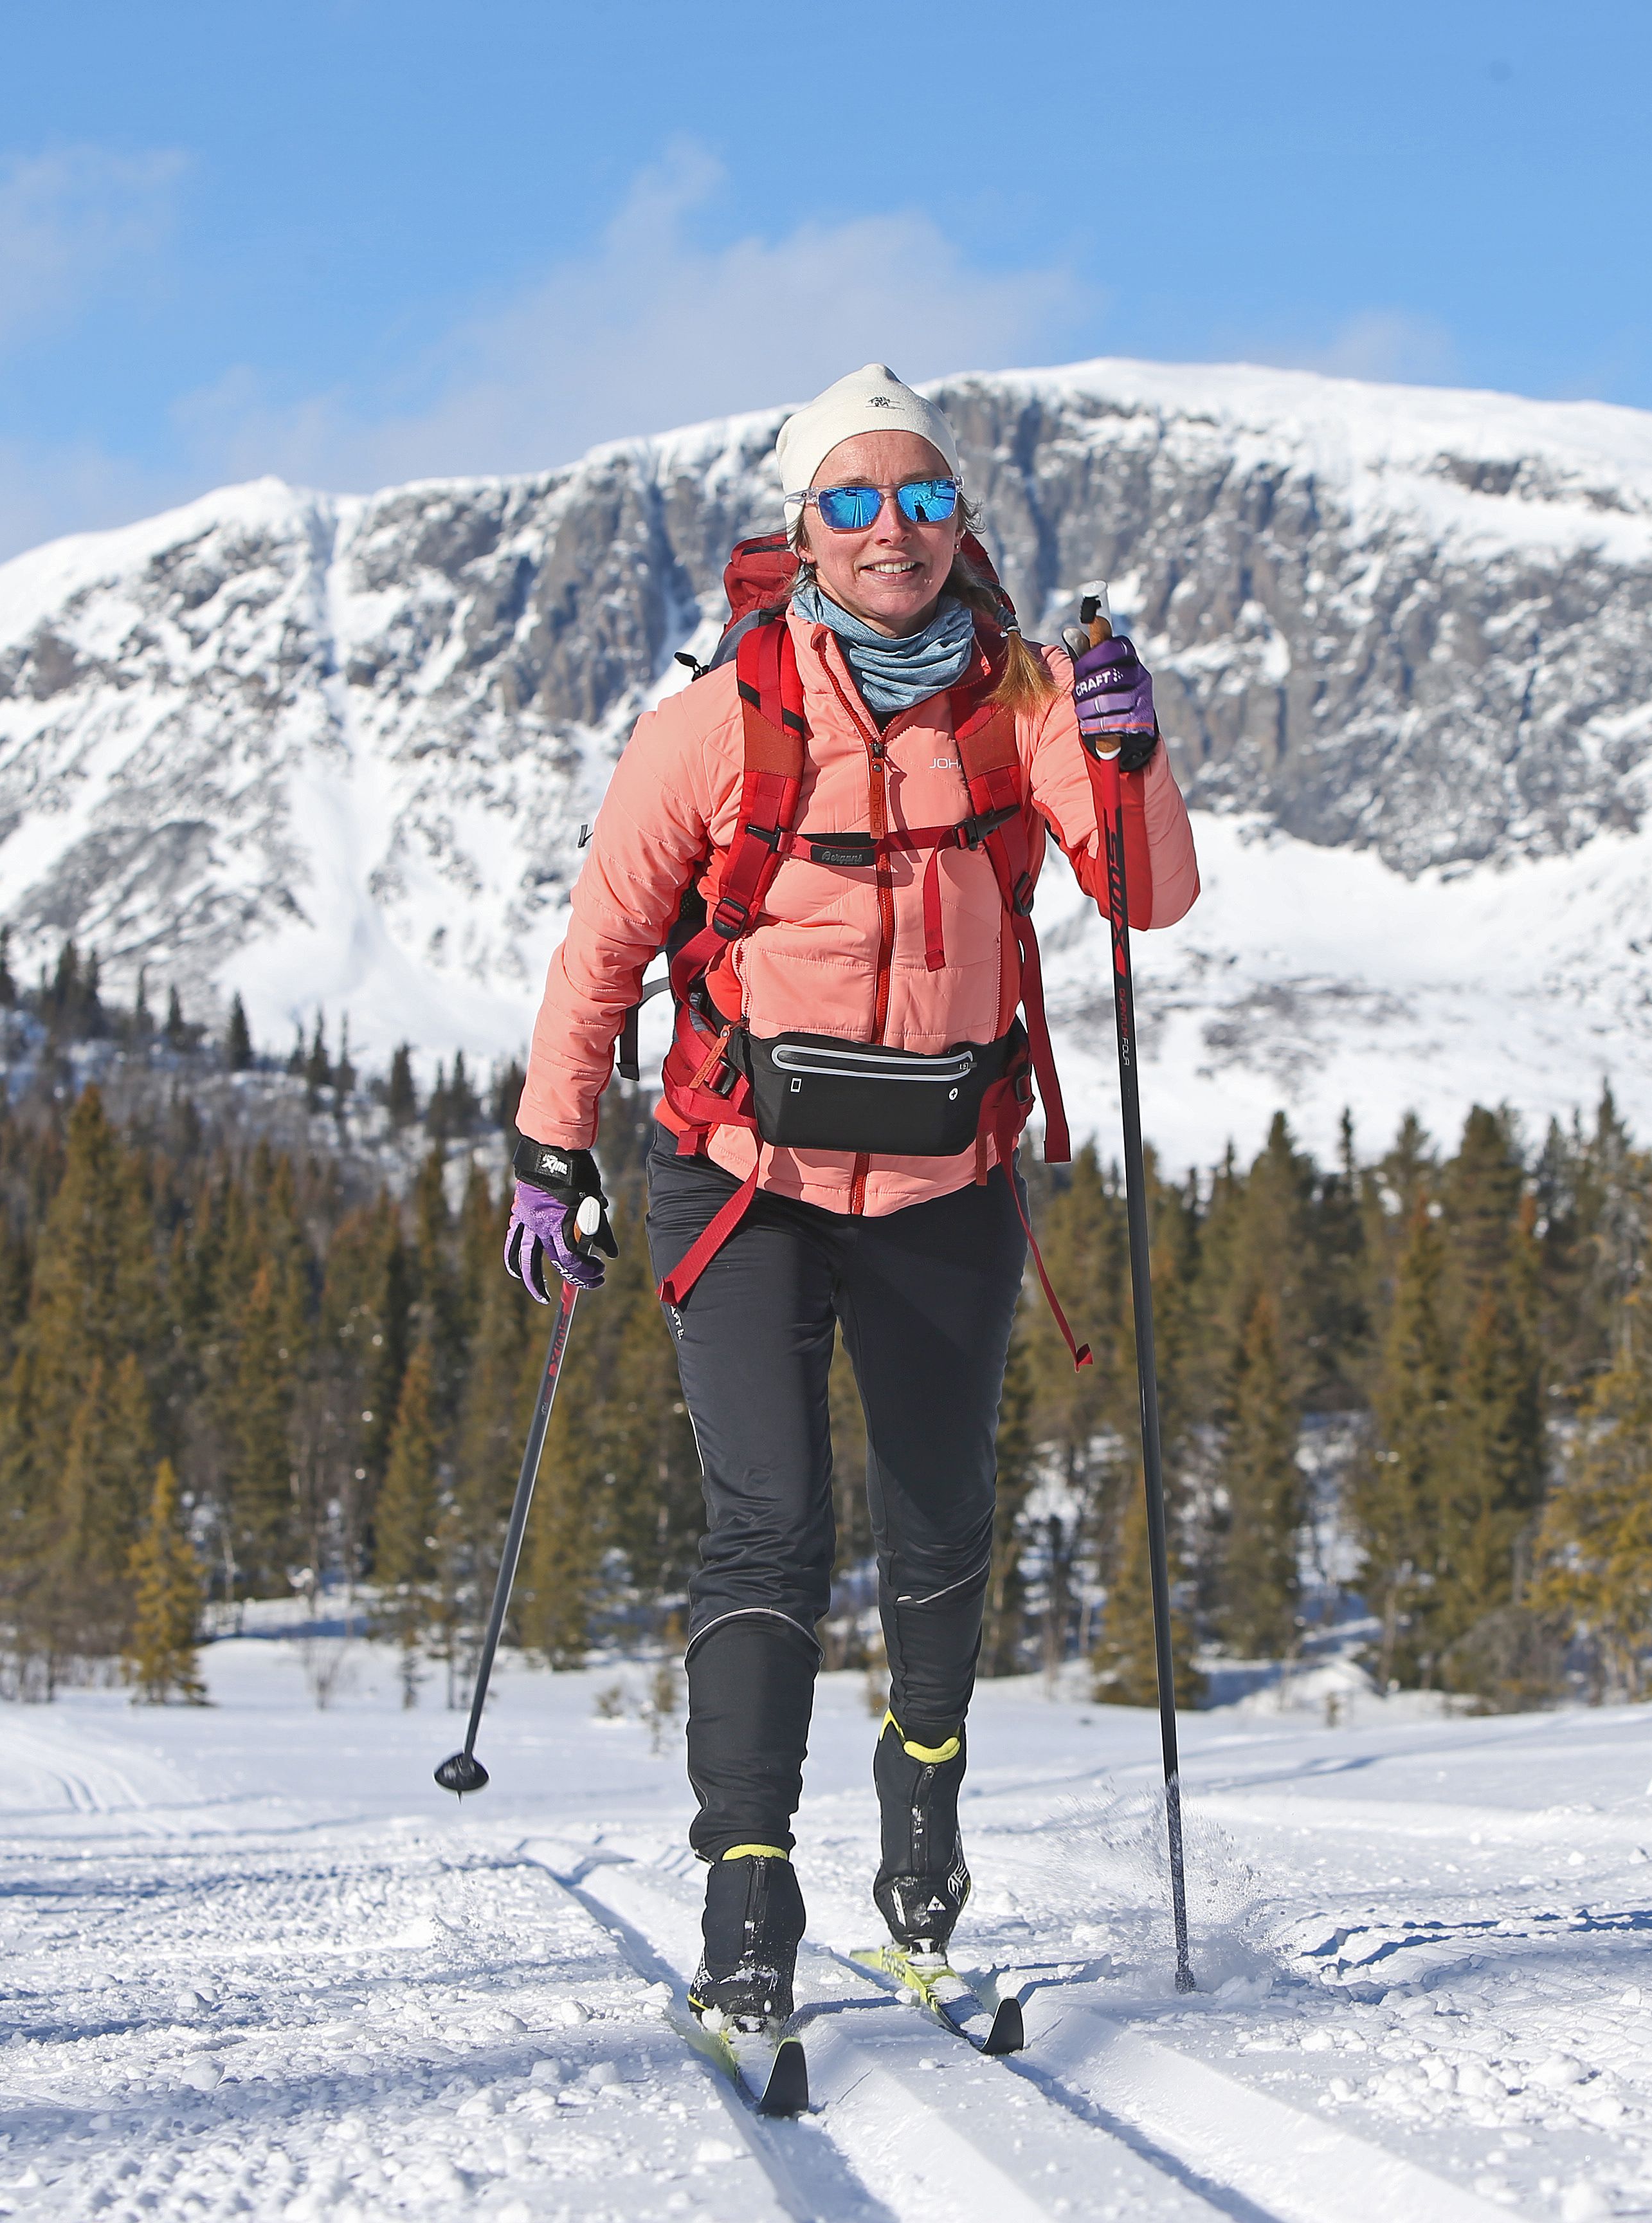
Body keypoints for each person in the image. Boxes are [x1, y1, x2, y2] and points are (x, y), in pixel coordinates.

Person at [503, 363, 1199, 2029]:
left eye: (926, 499)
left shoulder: (1029, 698)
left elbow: (1146, 900)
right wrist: (550, 1147)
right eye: (858, 503)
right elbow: (603, 948)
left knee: (942, 1523)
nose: (896, 532)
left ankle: (923, 1824)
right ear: (804, 528)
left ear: (963, 520)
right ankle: (748, 1887)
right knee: (769, 1524)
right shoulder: (714, 719)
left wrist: (1134, 755)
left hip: (952, 1180)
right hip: (743, 1183)